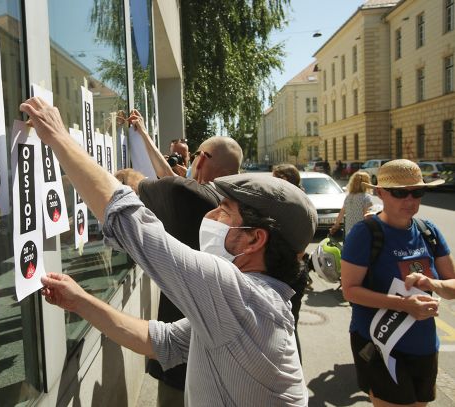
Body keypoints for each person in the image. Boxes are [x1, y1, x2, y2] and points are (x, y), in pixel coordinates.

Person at [20, 96, 317, 406]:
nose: (210, 217)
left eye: (225, 212)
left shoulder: (243, 301)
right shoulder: (245, 306)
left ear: (254, 240)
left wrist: (56, 135)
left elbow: (133, 224)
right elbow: (163, 342)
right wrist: (81, 302)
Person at [115, 136, 242, 406]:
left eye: (196, 154)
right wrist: (143, 133)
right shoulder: (237, 206)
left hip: (182, 354)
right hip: (228, 355)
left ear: (203, 158)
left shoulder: (188, 195)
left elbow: (136, 180)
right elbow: (169, 178)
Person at [340, 159, 455, 406]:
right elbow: (350, 291)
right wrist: (404, 305)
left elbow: (452, 286)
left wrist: (433, 285)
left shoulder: (429, 231)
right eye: (400, 193)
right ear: (380, 193)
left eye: (417, 192)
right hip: (381, 343)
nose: (410, 200)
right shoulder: (365, 233)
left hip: (424, 344)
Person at [272, 163, 307, 362]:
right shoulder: (296, 199)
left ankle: (292, 373)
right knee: (289, 326)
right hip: (292, 270)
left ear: (284, 179)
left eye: (274, 177)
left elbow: (299, 248)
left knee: (287, 327)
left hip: (289, 272)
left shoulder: (293, 203)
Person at [329, 170, 373, 239]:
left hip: (349, 231)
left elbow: (342, 212)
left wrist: (336, 225)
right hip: (362, 230)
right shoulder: (366, 197)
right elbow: (366, 216)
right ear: (367, 183)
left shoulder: (348, 196)